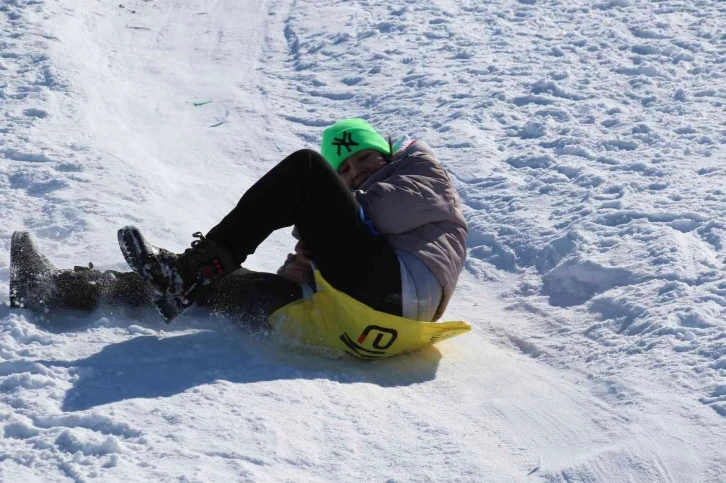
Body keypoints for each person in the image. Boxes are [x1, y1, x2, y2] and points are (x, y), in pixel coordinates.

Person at [10, 119, 468, 329]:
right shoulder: (356, 223)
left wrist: (322, 214)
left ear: (385, 153)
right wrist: (302, 268)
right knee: (219, 284)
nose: (356, 173)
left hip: (402, 290)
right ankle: (63, 288)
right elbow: (322, 256)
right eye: (345, 172)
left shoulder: (421, 171)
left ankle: (192, 270)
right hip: (352, 319)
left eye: (364, 158)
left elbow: (389, 211)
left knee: (307, 169)